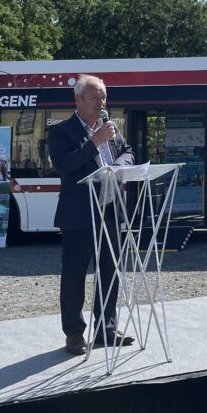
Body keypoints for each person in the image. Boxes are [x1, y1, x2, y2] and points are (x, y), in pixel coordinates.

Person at [48, 74, 135, 355]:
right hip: (79, 214)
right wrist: (94, 143)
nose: (102, 102)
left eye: (105, 96)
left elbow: (128, 152)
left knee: (109, 271)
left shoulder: (110, 128)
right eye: (96, 96)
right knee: (74, 275)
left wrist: (119, 165)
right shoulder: (61, 131)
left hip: (110, 211)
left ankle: (106, 329)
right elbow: (65, 166)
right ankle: (74, 333)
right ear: (79, 100)